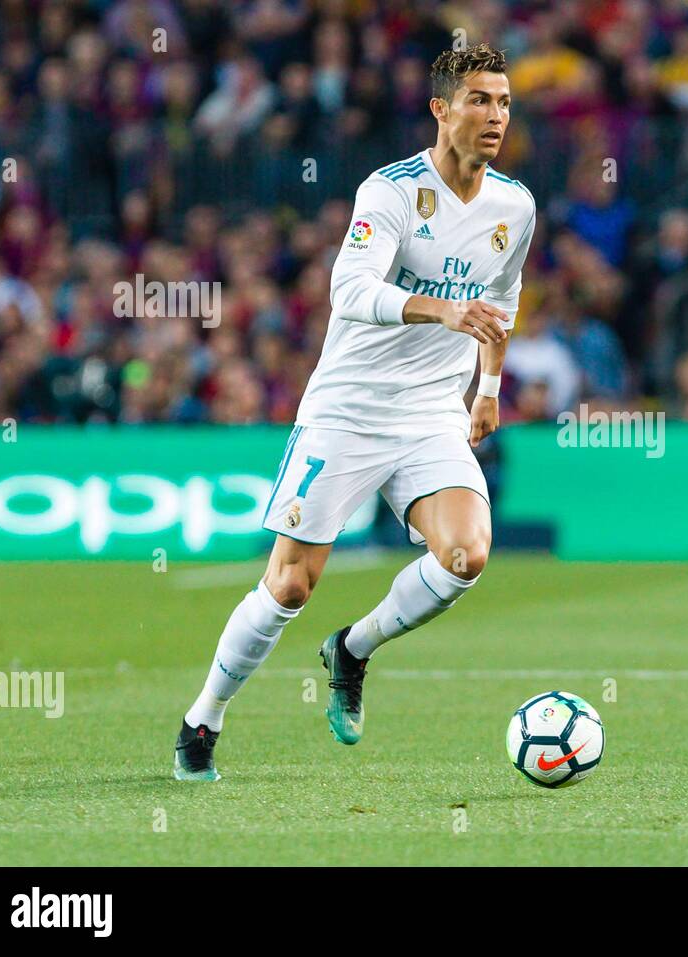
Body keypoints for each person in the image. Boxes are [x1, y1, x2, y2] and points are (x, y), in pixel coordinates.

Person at [174, 42, 535, 780]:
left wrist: (488, 388)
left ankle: (352, 648)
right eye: (479, 100)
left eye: (502, 101)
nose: (494, 115)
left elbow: (502, 304)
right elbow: (350, 290)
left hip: (433, 412)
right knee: (290, 585)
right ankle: (203, 716)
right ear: (441, 109)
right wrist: (442, 311)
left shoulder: (516, 205)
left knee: (465, 554)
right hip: (348, 408)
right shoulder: (392, 191)